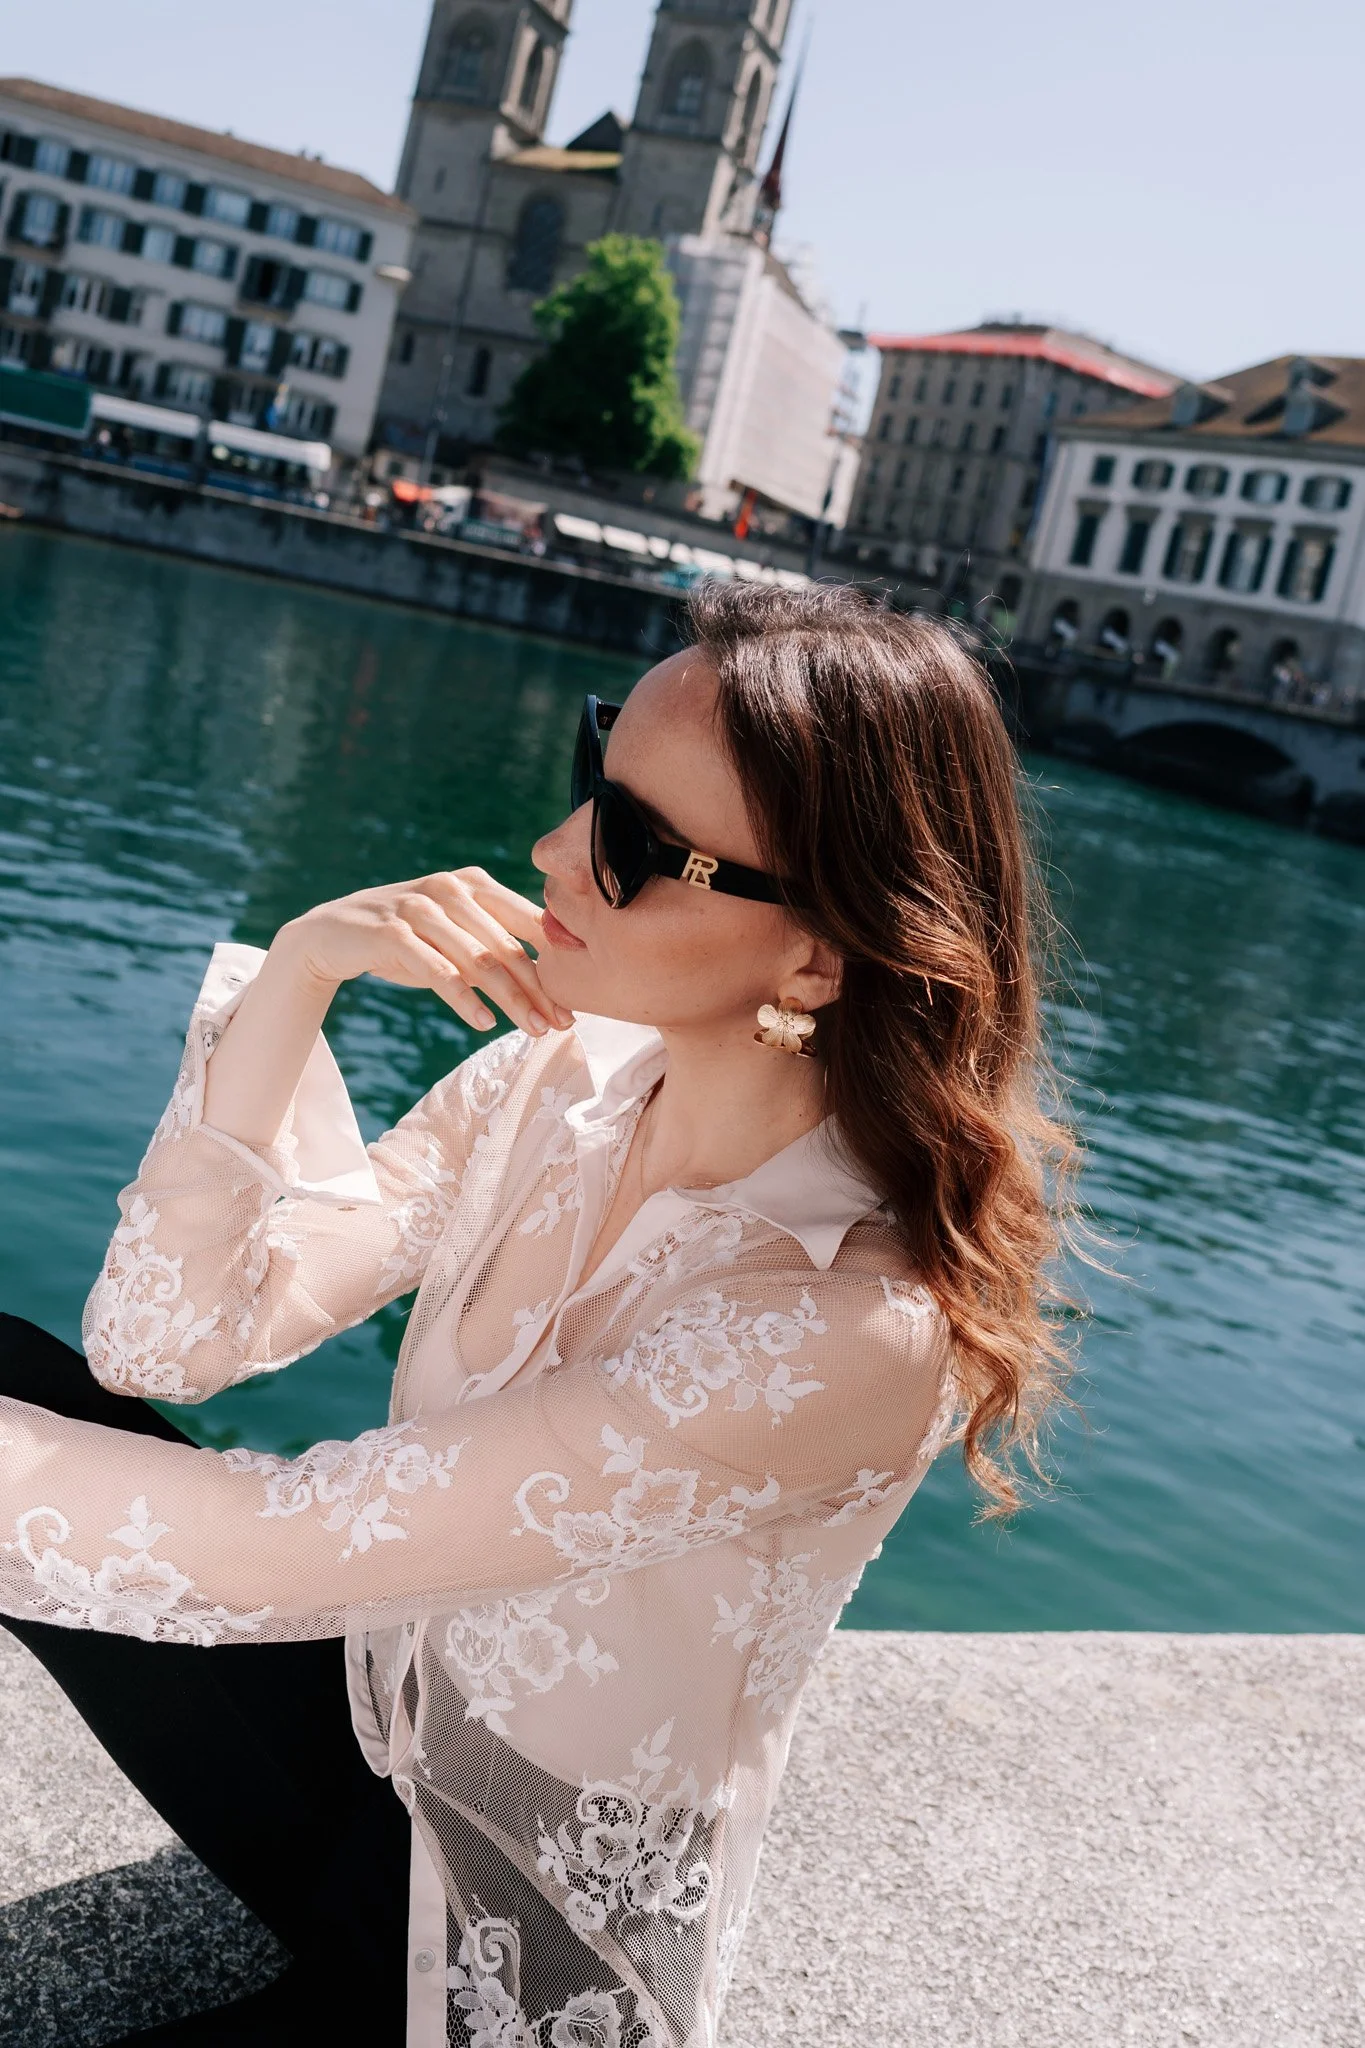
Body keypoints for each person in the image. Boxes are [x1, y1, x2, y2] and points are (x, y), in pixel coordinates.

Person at [0, 582, 1078, 2046]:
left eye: (631, 842)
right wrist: (299, 972)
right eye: (592, 774)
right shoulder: (554, 1080)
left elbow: (280, 1545)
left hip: (509, 1941)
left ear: (818, 957)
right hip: (364, 1737)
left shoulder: (842, 1325)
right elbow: (160, 1347)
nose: (554, 851)